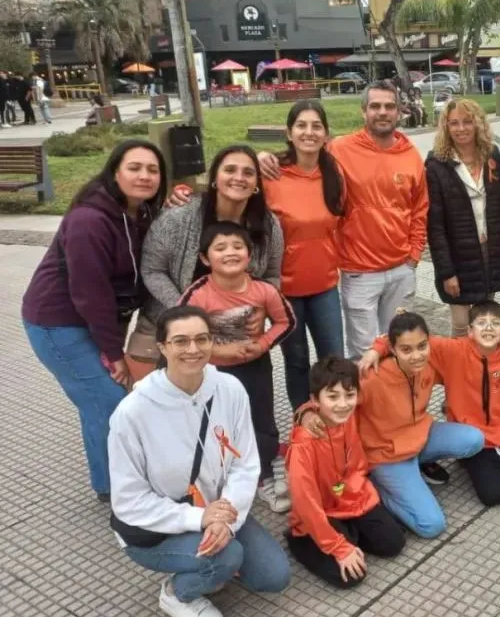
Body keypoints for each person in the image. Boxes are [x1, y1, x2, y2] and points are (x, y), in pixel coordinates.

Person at [108, 306, 291, 617]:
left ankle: (214, 559)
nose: (192, 349)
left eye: (201, 339)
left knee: (273, 576)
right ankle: (176, 593)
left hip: (219, 509)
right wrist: (200, 519)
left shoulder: (230, 389)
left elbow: (245, 464)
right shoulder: (132, 413)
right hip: (158, 524)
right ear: (162, 347)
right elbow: (129, 500)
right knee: (226, 557)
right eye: (180, 341)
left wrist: (226, 519)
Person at [22, 139, 167, 501]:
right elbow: (91, 293)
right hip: (57, 322)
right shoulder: (89, 220)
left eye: (152, 170)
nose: (144, 176)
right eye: (134, 168)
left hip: (94, 319)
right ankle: (113, 489)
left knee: (98, 401)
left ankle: (115, 476)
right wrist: (113, 353)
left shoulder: (140, 213)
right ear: (115, 173)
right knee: (108, 401)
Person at [258, 81, 427, 360]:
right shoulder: (340, 149)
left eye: (389, 106)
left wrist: (414, 255)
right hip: (359, 271)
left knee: (400, 346)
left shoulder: (410, 154)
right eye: (375, 106)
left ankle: (397, 390)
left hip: (401, 268)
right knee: (363, 355)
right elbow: (303, 151)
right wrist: (261, 157)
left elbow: (420, 208)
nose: (382, 112)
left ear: (399, 111)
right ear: (363, 111)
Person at [297, 312, 484, 538]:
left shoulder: (431, 358)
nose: (416, 355)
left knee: (474, 439)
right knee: (431, 526)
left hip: (420, 436)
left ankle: (417, 468)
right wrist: (307, 412)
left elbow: (471, 344)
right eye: (406, 350)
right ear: (393, 350)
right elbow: (335, 397)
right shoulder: (373, 377)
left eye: (422, 346)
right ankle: (378, 487)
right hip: (386, 455)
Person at [359, 301, 500, 506]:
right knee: (494, 495)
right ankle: (468, 458)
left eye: (495, 324)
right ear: (469, 331)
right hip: (475, 437)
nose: (488, 328)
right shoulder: (452, 350)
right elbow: (407, 338)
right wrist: (376, 349)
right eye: (481, 323)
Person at [137, 145, 284, 380]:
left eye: (248, 172)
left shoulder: (269, 225)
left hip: (238, 340)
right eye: (230, 170)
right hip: (177, 333)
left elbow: (272, 274)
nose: (239, 178)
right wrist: (185, 312)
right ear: (214, 178)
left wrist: (263, 308)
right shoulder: (179, 217)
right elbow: (153, 269)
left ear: (257, 183)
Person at [179, 222, 297, 513]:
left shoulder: (263, 290)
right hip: (212, 372)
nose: (230, 252)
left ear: (250, 254)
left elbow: (286, 321)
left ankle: (264, 469)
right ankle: (221, 473)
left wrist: (264, 344)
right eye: (220, 248)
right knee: (218, 421)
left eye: (237, 246)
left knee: (261, 417)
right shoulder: (198, 294)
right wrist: (220, 351)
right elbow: (181, 334)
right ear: (205, 258)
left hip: (255, 366)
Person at [285, 356, 406, 588]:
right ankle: (300, 541)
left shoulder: (349, 414)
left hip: (350, 498)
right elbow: (305, 501)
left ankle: (348, 533)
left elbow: (388, 354)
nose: (342, 404)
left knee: (393, 543)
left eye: (349, 395)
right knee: (351, 576)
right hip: (319, 510)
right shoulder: (304, 443)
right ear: (315, 400)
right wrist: (338, 547)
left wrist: (378, 349)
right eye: (332, 397)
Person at [264, 100, 347, 410]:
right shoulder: (271, 174)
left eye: (316, 126)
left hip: (324, 285)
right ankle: (303, 417)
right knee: (296, 360)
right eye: (301, 125)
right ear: (289, 133)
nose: (309, 132)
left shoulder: (334, 174)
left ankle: (335, 415)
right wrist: (256, 157)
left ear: (326, 134)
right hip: (286, 290)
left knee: (334, 358)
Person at [425, 98, 500, 337]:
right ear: (446, 127)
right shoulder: (436, 164)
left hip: (490, 250)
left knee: (485, 320)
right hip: (458, 255)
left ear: (478, 124)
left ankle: (484, 359)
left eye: (467, 122)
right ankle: (460, 362)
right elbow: (435, 226)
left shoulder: (492, 155)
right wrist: (446, 272)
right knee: (461, 323)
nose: (461, 128)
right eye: (454, 123)